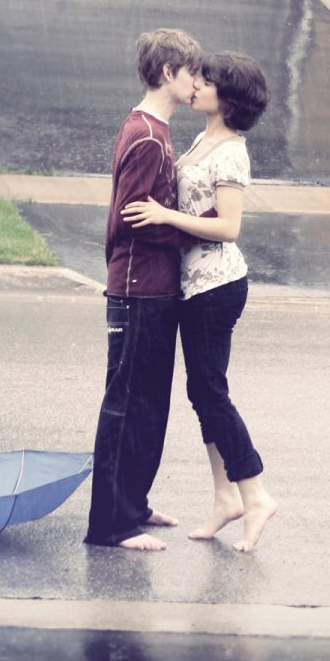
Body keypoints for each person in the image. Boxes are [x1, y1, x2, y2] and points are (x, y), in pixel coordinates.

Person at [121, 51, 278, 553]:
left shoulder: (231, 150)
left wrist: (166, 217)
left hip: (217, 288)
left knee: (210, 391)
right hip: (194, 285)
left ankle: (254, 495)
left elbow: (228, 227)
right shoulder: (202, 137)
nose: (198, 85)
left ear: (228, 97)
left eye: (208, 81)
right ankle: (223, 497)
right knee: (202, 391)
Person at [85, 27, 203, 551]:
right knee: (127, 406)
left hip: (155, 290)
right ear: (167, 74)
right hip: (137, 292)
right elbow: (134, 218)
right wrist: (195, 228)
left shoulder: (155, 129)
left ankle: (133, 504)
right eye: (191, 72)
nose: (198, 82)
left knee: (151, 405)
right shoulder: (148, 135)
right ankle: (110, 524)